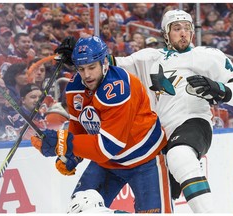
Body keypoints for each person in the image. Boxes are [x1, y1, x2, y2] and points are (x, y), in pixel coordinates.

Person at [109, 9, 233, 212]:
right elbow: (109, 66)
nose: (183, 33)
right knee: (154, 199)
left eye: (187, 28)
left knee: (180, 155)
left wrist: (219, 89)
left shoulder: (207, 56)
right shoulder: (148, 58)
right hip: (158, 135)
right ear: (166, 33)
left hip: (194, 122)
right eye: (177, 28)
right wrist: (81, 56)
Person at [31, 36, 172, 213]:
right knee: (79, 210)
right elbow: (80, 128)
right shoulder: (75, 88)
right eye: (81, 69)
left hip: (145, 159)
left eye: (92, 67)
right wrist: (71, 156)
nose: (87, 75)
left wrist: (63, 143)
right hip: (107, 163)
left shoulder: (118, 87)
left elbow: (109, 146)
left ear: (104, 62)